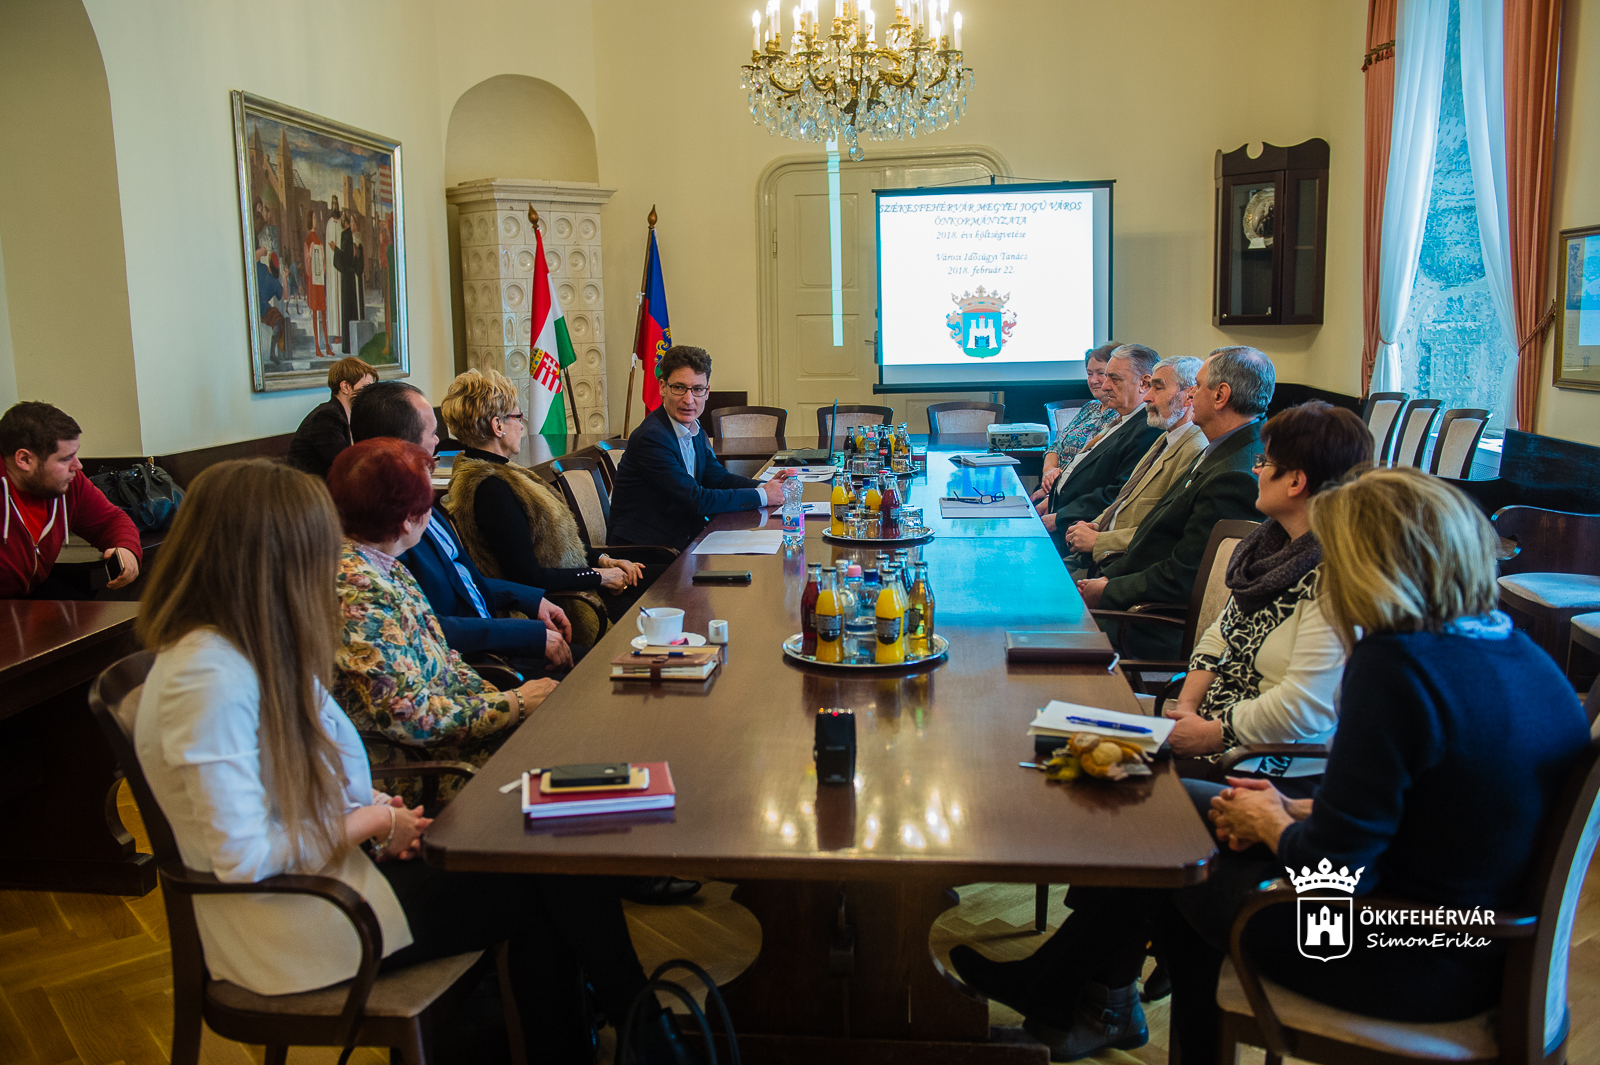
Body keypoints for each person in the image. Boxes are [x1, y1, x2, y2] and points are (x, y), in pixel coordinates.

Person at [952, 467, 1591, 1064]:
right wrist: (1293, 809)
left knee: (1175, 857)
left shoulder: (1397, 669)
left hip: (1388, 949)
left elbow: (1334, 874)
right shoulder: (1517, 653)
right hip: (1464, 935)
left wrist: (1273, 824)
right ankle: (1073, 994)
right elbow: (1442, 809)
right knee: (1161, 803)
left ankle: (1083, 1001)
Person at [130, 457, 690, 1063]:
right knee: (548, 869)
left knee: (551, 857)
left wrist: (372, 806)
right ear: (269, 557)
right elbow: (243, 857)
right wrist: (374, 822)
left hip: (335, 875)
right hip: (301, 924)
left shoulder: (239, 645)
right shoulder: (206, 679)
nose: (327, 566)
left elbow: (306, 769)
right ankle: (642, 1033)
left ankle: (624, 1033)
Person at [1161, 401, 1373, 797]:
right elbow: (1217, 635)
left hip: (1268, 771)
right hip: (1211, 731)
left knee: (1114, 792)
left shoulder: (1335, 578)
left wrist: (1210, 733)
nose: (1255, 470)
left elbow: (1305, 707)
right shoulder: (1269, 546)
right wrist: (1186, 707)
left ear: (1295, 482)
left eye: (1264, 461)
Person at [326, 438, 556, 782]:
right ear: (407, 520)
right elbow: (409, 717)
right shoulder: (357, 590)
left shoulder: (385, 565)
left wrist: (505, 699)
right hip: (428, 770)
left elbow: (445, 662)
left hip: (463, 736)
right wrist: (515, 704)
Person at [349, 379, 574, 677]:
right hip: (470, 667)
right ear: (405, 444)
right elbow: (425, 625)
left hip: (498, 640)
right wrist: (528, 634)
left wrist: (530, 599)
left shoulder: (421, 501)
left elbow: (462, 580)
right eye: (432, 434)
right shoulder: (384, 524)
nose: (438, 442)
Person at [1078, 346, 1274, 660]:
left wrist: (1108, 590)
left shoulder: (1235, 474)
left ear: (1221, 395)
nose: (1191, 394)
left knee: (1044, 621)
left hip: (1150, 624)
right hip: (1130, 595)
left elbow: (1183, 577)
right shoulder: (1222, 448)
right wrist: (1106, 580)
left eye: (1198, 386)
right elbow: (1155, 540)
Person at [441, 368, 647, 645]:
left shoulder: (503, 473)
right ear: (497, 426)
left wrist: (603, 560)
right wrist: (598, 577)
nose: (522, 425)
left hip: (575, 588)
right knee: (658, 603)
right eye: (517, 416)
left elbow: (556, 541)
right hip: (559, 609)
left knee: (657, 585)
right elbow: (528, 577)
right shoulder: (491, 488)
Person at [608, 345, 790, 552]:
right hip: (647, 553)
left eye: (697, 389)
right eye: (679, 388)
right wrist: (764, 496)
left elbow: (719, 478)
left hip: (682, 539)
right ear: (662, 387)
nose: (689, 399)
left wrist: (765, 487)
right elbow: (696, 500)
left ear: (707, 391)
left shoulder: (693, 428)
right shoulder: (652, 437)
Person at [1062, 355, 1206, 573]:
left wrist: (1098, 540)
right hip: (1093, 554)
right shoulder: (1165, 437)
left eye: (1157, 388)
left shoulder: (1194, 449)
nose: (1147, 397)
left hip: (1117, 566)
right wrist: (1095, 524)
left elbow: (1164, 533)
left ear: (1189, 396)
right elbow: (1125, 498)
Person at [0, 401, 141, 598]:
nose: (78, 465)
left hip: (28, 595)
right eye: (66, 458)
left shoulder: (68, 483)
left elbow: (110, 521)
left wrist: (127, 549)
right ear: (24, 460)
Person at [1040, 344, 1162, 547]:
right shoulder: (1123, 418)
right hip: (1061, 513)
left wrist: (1060, 516)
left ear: (1144, 383)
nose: (1104, 386)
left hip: (1078, 528)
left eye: (1113, 378)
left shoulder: (1147, 428)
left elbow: (1118, 493)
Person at [1032, 342, 1123, 505]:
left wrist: (1055, 495)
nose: (1094, 380)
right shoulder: (1090, 407)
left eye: (1100, 373)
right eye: (1089, 374)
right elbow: (1055, 446)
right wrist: (1049, 471)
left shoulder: (1121, 414)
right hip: (1052, 487)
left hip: (1078, 497)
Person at [287, 356, 376, 479]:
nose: (370, 393)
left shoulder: (348, 415)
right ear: (345, 387)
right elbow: (343, 464)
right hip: (309, 491)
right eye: (366, 387)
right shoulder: (326, 416)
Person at [302, 210, 330, 358]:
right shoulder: (308, 240)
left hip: (320, 281)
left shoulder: (318, 239)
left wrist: (324, 264)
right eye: (313, 217)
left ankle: (327, 346)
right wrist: (310, 253)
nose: (315, 220)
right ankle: (317, 347)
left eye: (315, 217)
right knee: (315, 314)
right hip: (313, 282)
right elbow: (307, 267)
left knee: (323, 312)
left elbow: (323, 262)